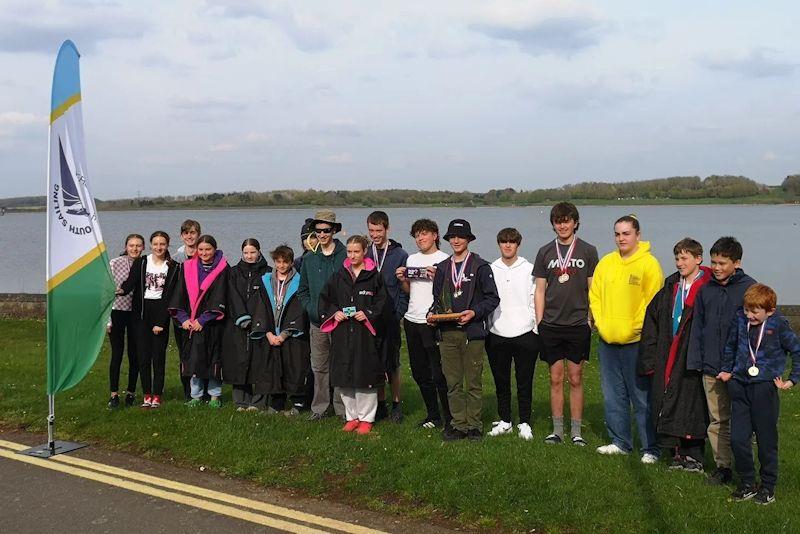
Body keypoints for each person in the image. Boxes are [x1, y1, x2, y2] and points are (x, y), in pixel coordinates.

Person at [589, 215, 663, 463]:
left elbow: (653, 303)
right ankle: (620, 441)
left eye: (626, 233)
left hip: (636, 342)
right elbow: (595, 296)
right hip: (608, 341)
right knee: (613, 396)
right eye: (617, 234)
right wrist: (600, 322)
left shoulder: (649, 264)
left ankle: (650, 448)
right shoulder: (606, 263)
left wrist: (634, 328)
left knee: (641, 398)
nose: (621, 238)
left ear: (638, 235)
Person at [718, 283, 800, 505]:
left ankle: (767, 486)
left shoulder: (779, 325)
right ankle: (747, 483)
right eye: (747, 309)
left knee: (766, 441)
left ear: (770, 310)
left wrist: (792, 379)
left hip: (765, 388)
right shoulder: (740, 320)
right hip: (740, 386)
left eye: (755, 311)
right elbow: (731, 346)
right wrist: (727, 370)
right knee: (737, 439)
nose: (750, 315)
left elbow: (797, 350)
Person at [687, 236, 756, 485]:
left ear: (736, 263)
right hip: (711, 367)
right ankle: (723, 467)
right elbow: (698, 328)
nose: (716, 268)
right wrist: (696, 360)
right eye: (714, 262)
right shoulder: (706, 290)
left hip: (741, 369)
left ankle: (746, 469)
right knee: (718, 420)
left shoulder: (750, 289)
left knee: (743, 420)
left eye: (722, 263)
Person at [638, 238, 712, 472]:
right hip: (667, 353)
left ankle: (695, 457)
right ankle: (676, 454)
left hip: (692, 357)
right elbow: (652, 322)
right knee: (668, 400)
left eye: (685, 258)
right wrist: (650, 359)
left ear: (698, 259)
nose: (680, 263)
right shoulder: (671, 287)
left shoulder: (707, 289)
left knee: (692, 404)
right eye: (677, 258)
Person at [428, 219, 500, 441]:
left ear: (468, 239)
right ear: (448, 239)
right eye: (452, 237)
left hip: (473, 332)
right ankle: (458, 424)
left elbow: (492, 298)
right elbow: (437, 301)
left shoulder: (480, 266)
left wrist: (474, 313)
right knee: (453, 382)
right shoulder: (442, 268)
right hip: (447, 332)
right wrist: (432, 316)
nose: (456, 240)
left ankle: (474, 425)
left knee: (474, 381)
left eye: (460, 236)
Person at [533, 202, 598, 446]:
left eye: (567, 220)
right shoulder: (545, 252)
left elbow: (593, 287)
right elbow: (539, 290)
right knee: (555, 378)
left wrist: (591, 318)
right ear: (553, 224)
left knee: (576, 377)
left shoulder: (588, 250)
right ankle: (557, 430)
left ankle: (577, 432)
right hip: (551, 324)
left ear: (575, 222)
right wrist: (540, 321)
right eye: (558, 221)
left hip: (578, 323)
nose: (562, 225)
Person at [319, 235, 387, 435]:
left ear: (364, 251)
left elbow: (382, 303)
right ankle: (352, 416)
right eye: (349, 252)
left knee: (364, 375)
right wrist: (335, 313)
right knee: (344, 376)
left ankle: (366, 418)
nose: (353, 255)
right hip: (342, 333)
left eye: (357, 251)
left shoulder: (374, 276)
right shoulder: (338, 275)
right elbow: (325, 299)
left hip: (364, 334)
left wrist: (368, 313)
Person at [396, 219, 451, 429]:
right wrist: (402, 279)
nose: (421, 238)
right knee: (420, 372)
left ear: (435, 235)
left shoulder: (445, 259)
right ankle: (433, 415)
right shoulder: (411, 259)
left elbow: (450, 293)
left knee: (439, 373)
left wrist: (439, 277)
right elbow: (410, 290)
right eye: (417, 235)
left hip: (434, 322)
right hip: (412, 320)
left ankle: (449, 417)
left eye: (425, 234)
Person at [486, 228, 540, 440]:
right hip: (497, 333)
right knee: (501, 381)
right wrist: (489, 326)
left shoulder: (529, 269)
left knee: (524, 380)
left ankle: (525, 422)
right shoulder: (491, 269)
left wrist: (535, 327)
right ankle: (505, 420)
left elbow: (534, 299)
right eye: (504, 242)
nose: (508, 245)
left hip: (525, 333)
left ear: (518, 244)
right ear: (499, 244)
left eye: (512, 242)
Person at [118, 231, 179, 409]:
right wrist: (118, 290)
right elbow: (130, 284)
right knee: (143, 357)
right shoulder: (142, 262)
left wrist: (161, 321)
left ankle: (157, 395)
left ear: (167, 245)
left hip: (160, 313)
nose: (159, 247)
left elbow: (170, 296)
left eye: (162, 244)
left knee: (158, 357)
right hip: (141, 315)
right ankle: (147, 394)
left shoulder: (174, 266)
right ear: (150, 245)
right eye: (156, 244)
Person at [298, 209, 347, 420]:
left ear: (334, 230)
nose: (322, 234)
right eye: (318, 231)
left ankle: (342, 409)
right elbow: (303, 291)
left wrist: (342, 312)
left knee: (341, 364)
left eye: (326, 230)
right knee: (319, 366)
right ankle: (319, 408)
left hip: (340, 322)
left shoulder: (345, 256)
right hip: (317, 322)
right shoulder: (309, 259)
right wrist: (312, 309)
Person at [169, 235, 229, 408]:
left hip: (213, 323)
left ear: (215, 249)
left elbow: (221, 295)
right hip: (191, 324)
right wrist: (183, 318)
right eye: (201, 249)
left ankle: (214, 397)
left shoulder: (223, 268)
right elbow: (179, 294)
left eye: (208, 249)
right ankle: (195, 396)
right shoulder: (187, 267)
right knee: (194, 360)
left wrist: (204, 319)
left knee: (213, 359)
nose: (204, 253)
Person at [252, 245, 310, 416]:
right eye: (278, 262)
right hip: (271, 332)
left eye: (286, 262)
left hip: (291, 335)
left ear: (292, 262)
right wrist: (268, 333)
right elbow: (260, 307)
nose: (282, 265)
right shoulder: (266, 281)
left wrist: (284, 334)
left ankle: (298, 404)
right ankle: (277, 403)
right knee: (273, 368)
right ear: (274, 262)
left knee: (295, 368)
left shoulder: (300, 282)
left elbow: (299, 309)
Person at [365, 210, 409, 422]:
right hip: (370, 318)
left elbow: (404, 289)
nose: (375, 235)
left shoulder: (400, 255)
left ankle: (397, 404)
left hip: (391, 317)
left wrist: (398, 312)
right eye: (371, 230)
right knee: (375, 362)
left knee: (392, 363)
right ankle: (380, 404)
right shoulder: (365, 253)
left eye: (379, 230)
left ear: (387, 229)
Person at [221, 238, 271, 411]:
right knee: (238, 361)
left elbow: (266, 299)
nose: (249, 256)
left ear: (259, 252)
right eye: (246, 253)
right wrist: (241, 316)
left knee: (260, 361)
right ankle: (241, 400)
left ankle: (258, 401)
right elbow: (231, 296)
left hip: (260, 325)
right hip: (236, 324)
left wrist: (258, 320)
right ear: (242, 253)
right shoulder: (233, 272)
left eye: (253, 252)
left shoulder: (268, 273)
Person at [107, 233, 144, 408]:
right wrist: (107, 320)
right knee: (117, 354)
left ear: (143, 247)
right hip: (116, 312)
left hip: (135, 314)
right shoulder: (115, 263)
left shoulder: (144, 263)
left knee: (134, 354)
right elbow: (104, 291)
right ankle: (114, 394)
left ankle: (131, 392)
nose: (135, 249)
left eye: (138, 245)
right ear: (126, 246)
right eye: (131, 245)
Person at [172, 219, 202, 400]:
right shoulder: (175, 259)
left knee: (201, 353)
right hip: (181, 316)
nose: (190, 236)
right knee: (184, 353)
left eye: (193, 232)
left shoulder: (206, 255)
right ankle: (187, 391)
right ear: (182, 236)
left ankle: (202, 390)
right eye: (186, 233)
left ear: (198, 234)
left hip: (200, 316)